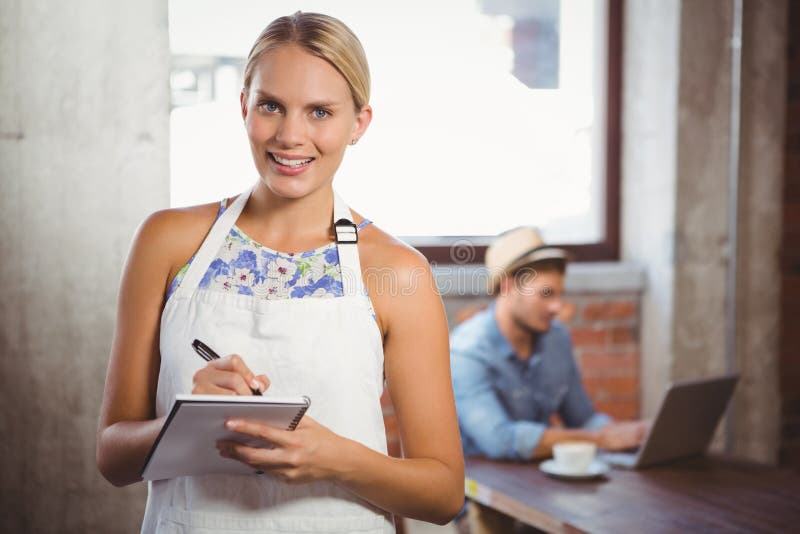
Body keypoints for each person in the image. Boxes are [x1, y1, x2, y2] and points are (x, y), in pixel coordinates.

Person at [96, 12, 464, 533]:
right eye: (271, 106)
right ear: (244, 107)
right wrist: (188, 419)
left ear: (358, 124)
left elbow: (444, 493)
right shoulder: (167, 241)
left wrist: (334, 458)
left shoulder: (399, 274)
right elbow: (113, 459)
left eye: (320, 112)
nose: (291, 135)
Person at [450, 226, 648, 533]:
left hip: (542, 490)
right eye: (546, 294)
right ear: (508, 287)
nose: (557, 306)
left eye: (559, 294)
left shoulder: (556, 339)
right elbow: (501, 440)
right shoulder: (467, 350)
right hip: (483, 502)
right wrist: (599, 439)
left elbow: (582, 417)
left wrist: (628, 435)